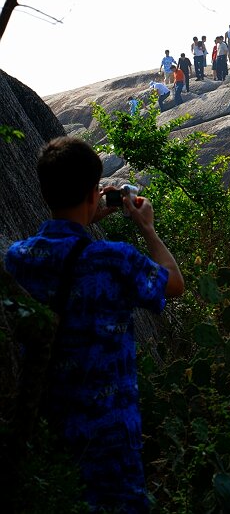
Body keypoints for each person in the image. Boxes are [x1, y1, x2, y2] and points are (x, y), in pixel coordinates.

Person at [5, 137, 184, 513]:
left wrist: (84, 215)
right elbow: (173, 284)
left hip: (46, 421)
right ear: (93, 192)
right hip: (109, 430)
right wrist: (147, 227)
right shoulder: (113, 260)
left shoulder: (18, 259)